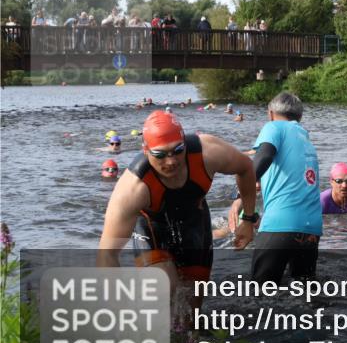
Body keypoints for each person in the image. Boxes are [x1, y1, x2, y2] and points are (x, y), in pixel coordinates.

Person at [96, 111, 257, 318]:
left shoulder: (207, 152)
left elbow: (245, 167)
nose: (171, 161)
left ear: (184, 143)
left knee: (191, 312)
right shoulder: (132, 188)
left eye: (177, 150)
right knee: (164, 288)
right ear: (145, 151)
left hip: (194, 221)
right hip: (152, 226)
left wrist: (248, 219)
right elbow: (107, 254)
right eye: (160, 155)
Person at [245, 91, 322, 284]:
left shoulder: (274, 127)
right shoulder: (304, 138)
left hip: (280, 225)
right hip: (311, 229)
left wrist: (242, 193)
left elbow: (264, 156)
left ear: (270, 113)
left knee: (260, 294)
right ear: (300, 116)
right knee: (304, 292)